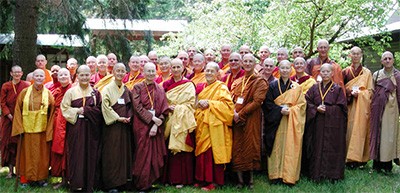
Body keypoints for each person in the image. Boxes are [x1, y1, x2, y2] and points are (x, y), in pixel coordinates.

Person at [263, 60, 306, 184]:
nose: (285, 70)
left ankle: (289, 175)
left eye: (287, 68)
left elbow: (302, 105)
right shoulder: (272, 85)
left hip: (291, 121)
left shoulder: (297, 87)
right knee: (276, 146)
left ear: (290, 69)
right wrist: (279, 110)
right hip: (276, 122)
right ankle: (275, 175)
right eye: (282, 68)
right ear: (279, 69)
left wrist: (291, 111)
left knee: (290, 147)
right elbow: (267, 104)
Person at [61, 65, 102, 192]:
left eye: (87, 75)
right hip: (76, 127)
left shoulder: (95, 93)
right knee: (76, 155)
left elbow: (100, 111)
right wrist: (78, 111)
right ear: (77, 76)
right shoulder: (71, 92)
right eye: (82, 75)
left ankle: (89, 184)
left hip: (91, 128)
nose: (84, 77)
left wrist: (85, 110)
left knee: (90, 154)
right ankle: (76, 184)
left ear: (90, 75)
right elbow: (65, 109)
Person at [194, 62, 234, 191]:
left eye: (212, 71)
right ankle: (201, 179)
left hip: (215, 126)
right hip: (202, 124)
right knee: (202, 153)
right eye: (207, 70)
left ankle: (214, 181)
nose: (209, 73)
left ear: (217, 74)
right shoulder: (202, 87)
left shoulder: (221, 87)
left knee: (211, 154)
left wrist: (210, 103)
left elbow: (228, 108)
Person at [12, 69, 55, 187]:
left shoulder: (48, 94)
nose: (39, 78)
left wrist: (50, 130)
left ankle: (40, 179)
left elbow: (52, 113)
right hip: (27, 131)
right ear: (32, 77)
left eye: (41, 76)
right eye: (37, 76)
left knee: (42, 156)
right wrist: (19, 127)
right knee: (26, 155)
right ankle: (24, 179)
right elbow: (17, 110)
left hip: (42, 130)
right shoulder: (25, 93)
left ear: (44, 78)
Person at [304, 63, 347, 181]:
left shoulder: (337, 89)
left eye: (328, 71)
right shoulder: (314, 88)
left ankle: (332, 174)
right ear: (319, 73)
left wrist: (328, 109)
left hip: (332, 125)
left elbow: (342, 108)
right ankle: (316, 174)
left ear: (332, 73)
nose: (325, 74)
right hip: (317, 123)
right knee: (316, 146)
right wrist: (315, 109)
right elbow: (307, 102)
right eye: (323, 71)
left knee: (332, 147)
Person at [231, 54, 268, 188]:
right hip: (235, 119)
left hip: (251, 118)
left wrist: (240, 114)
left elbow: (257, 101)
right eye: (245, 61)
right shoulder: (238, 81)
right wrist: (233, 113)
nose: (247, 63)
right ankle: (240, 181)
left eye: (250, 61)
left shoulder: (260, 81)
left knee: (250, 146)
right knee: (237, 147)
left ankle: (250, 180)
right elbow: (231, 99)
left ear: (255, 63)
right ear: (242, 63)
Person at [131, 63, 169, 191]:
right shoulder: (137, 88)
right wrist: (152, 119)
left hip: (155, 126)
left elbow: (164, 110)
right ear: (143, 73)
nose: (151, 74)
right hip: (141, 126)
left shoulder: (160, 89)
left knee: (154, 155)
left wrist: (156, 125)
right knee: (142, 154)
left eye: (153, 71)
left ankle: (150, 182)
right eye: (148, 71)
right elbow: (137, 107)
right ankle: (140, 184)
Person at [163, 58, 197, 188]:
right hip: (170, 119)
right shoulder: (166, 84)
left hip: (183, 119)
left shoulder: (188, 84)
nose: (176, 70)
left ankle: (182, 179)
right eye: (174, 67)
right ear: (170, 69)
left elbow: (190, 104)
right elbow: (162, 101)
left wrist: (177, 108)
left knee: (182, 148)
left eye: (178, 67)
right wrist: (167, 106)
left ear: (183, 68)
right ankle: (168, 178)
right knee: (169, 147)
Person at [101, 63, 133, 192]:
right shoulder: (107, 89)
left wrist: (129, 117)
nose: (120, 73)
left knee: (123, 153)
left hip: (124, 126)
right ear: (113, 72)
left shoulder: (126, 89)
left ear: (126, 73)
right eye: (117, 71)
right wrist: (118, 118)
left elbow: (131, 106)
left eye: (122, 71)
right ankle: (111, 183)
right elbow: (105, 106)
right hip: (112, 126)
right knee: (112, 153)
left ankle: (123, 181)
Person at [342, 47, 373, 168]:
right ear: (350, 55)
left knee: (360, 130)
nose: (355, 56)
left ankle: (360, 158)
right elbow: (341, 89)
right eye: (353, 54)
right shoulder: (345, 71)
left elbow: (370, 91)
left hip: (362, 107)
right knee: (349, 131)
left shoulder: (367, 73)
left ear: (361, 55)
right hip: (349, 105)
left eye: (358, 54)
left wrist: (361, 94)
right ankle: (348, 158)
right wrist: (349, 92)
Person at [370, 51, 400, 173]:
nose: (387, 60)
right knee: (377, 133)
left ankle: (387, 165)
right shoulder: (377, 75)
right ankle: (376, 164)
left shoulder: (398, 75)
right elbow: (372, 91)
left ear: (393, 60)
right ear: (381, 61)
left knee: (389, 136)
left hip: (392, 109)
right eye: (385, 59)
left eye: (390, 58)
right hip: (378, 109)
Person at [0, 65, 30, 179]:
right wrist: (9, 115)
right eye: (15, 72)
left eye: (19, 72)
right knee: (8, 143)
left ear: (22, 73)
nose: (17, 74)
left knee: (19, 143)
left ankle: (19, 170)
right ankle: (10, 170)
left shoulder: (26, 85)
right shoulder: (6, 86)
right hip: (8, 119)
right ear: (11, 74)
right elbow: (2, 103)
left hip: (22, 118)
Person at [50, 68, 71, 189]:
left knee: (69, 150)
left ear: (69, 76)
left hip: (70, 122)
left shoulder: (74, 89)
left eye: (65, 74)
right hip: (57, 122)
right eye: (61, 75)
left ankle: (70, 178)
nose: (63, 76)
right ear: (57, 77)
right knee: (60, 149)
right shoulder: (56, 91)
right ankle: (62, 179)